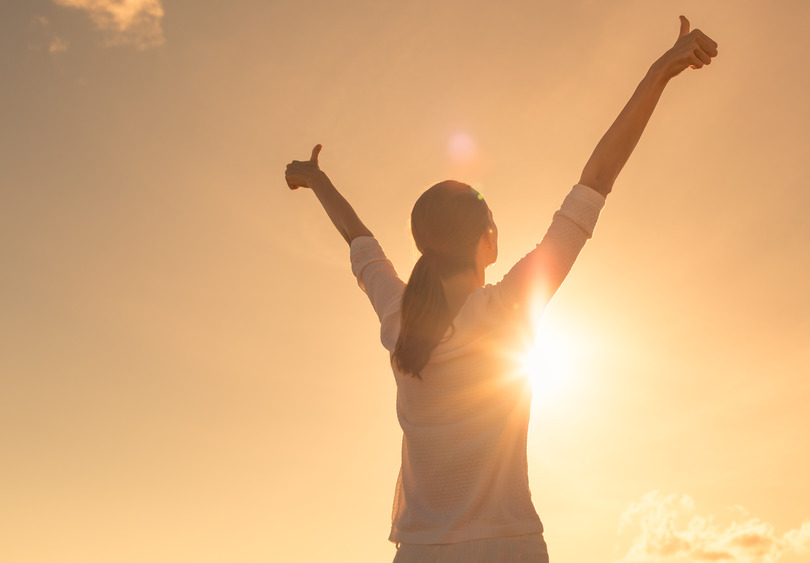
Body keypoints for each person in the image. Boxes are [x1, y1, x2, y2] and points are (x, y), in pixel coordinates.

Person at [284, 15, 718, 563]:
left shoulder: (399, 318)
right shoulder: (509, 306)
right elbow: (596, 181)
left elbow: (359, 240)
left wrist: (316, 177)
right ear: (487, 243)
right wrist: (659, 73)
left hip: (420, 551)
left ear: (425, 246)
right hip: (509, 548)